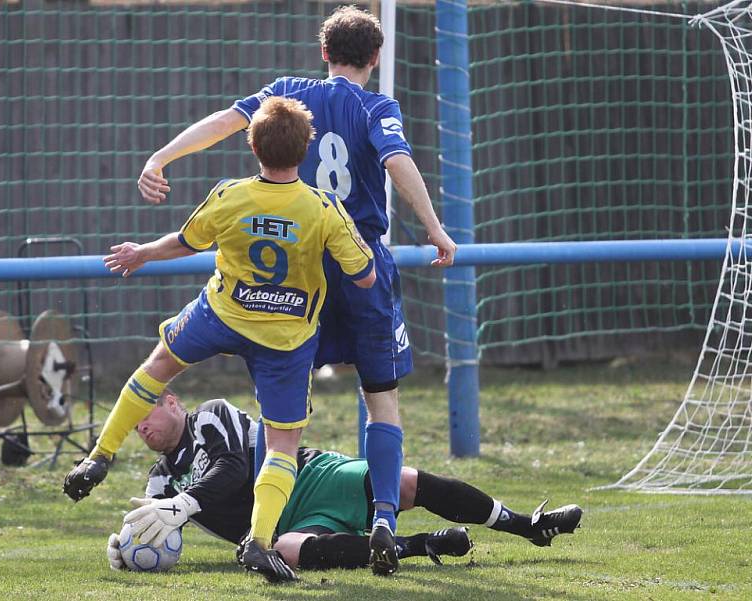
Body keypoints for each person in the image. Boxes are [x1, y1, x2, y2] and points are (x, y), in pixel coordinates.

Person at [135, 6, 458, 576]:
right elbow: (398, 161)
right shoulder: (377, 106)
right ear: (375, 58)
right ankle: (383, 515)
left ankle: (267, 530)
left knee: (281, 416)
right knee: (380, 397)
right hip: (358, 265)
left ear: (324, 53)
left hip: (296, 271)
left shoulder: (287, 93)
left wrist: (162, 156)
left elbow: (223, 122)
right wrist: (433, 228)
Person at [63, 97, 376, 583]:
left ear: (252, 144)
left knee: (157, 367)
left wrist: (140, 253)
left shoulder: (230, 196)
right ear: (306, 148)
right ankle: (257, 541)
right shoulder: (322, 209)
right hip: (285, 336)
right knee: (281, 443)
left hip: (224, 313)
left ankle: (99, 455)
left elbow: (185, 242)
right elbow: (365, 277)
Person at [105, 391, 582, 576]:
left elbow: (231, 469)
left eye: (140, 415)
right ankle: (420, 546)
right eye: (130, 426)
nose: (138, 428)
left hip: (312, 478)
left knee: (402, 482)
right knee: (292, 551)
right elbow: (158, 532)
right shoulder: (160, 480)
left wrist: (184, 504)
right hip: (275, 529)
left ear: (169, 401)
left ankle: (527, 525)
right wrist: (126, 547)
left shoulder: (210, 416)